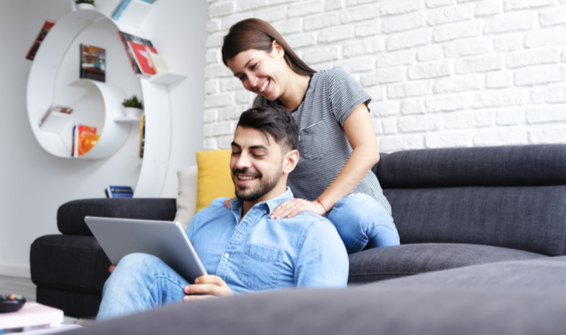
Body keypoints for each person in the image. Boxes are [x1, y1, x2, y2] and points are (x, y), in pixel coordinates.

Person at [96, 106, 349, 320]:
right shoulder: (209, 216)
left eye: (257, 154)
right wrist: (134, 277)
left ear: (289, 162)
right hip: (180, 322)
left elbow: (320, 326)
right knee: (134, 266)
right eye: (236, 151)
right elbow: (170, 282)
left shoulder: (314, 234)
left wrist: (235, 308)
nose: (240, 163)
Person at [221, 18, 400, 254]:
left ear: (277, 49)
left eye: (253, 66)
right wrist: (244, 202)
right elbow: (265, 169)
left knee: (354, 209)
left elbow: (367, 150)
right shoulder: (261, 108)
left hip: (359, 218)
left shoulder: (332, 84)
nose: (251, 82)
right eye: (241, 76)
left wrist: (320, 205)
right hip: (314, 227)